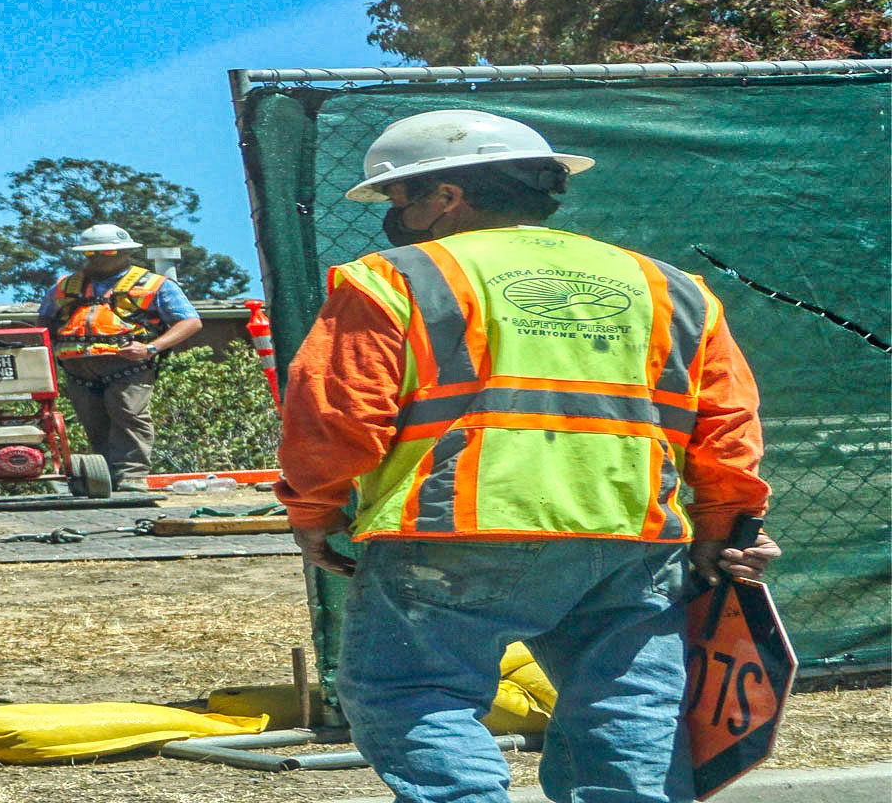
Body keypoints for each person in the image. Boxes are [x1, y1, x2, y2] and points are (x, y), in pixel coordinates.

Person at [277, 109, 778, 803]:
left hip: (452, 534)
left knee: (413, 691)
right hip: (631, 537)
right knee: (625, 707)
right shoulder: (671, 288)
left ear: (448, 196)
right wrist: (724, 526)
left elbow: (335, 417)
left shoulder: (392, 279)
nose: (393, 217)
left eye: (398, 199)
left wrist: (314, 509)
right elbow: (727, 425)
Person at [38, 222, 204, 486]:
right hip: (77, 369)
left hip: (128, 366)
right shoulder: (66, 286)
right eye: (91, 254)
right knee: (94, 422)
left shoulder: (153, 284)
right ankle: (102, 478)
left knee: (129, 416)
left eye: (106, 253)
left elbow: (190, 322)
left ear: (125, 252)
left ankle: (132, 476)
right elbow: (43, 324)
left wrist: (150, 348)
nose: (97, 259)